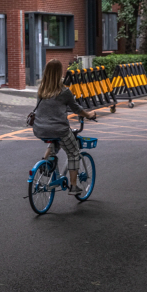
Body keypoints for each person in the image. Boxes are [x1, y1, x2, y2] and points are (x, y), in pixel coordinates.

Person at [32, 60, 97, 195]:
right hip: (58, 129)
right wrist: (89, 115)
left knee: (55, 140)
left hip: (39, 129)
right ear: (59, 73)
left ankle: (46, 162)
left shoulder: (41, 89)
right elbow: (77, 109)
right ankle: (73, 186)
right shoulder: (64, 91)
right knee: (73, 152)